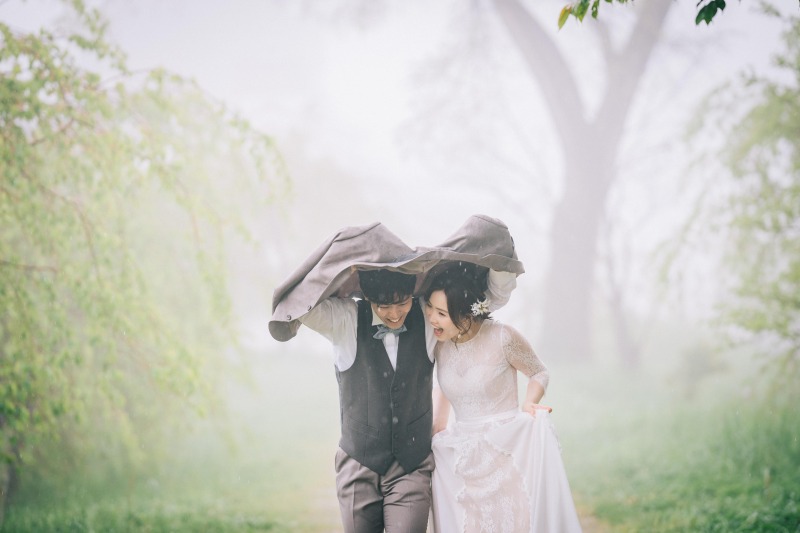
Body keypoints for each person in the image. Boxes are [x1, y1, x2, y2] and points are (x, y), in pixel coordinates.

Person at [268, 216, 521, 533]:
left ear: (413, 293)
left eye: (401, 303)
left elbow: (488, 302)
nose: (394, 313)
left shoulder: (430, 317)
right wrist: (344, 257)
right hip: (358, 465)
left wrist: (496, 252)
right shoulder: (344, 320)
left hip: (412, 466)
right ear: (366, 297)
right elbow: (302, 304)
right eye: (383, 306)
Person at [424, 262, 583, 533]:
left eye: (441, 313)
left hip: (505, 449)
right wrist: (434, 435)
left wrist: (529, 402)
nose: (431, 318)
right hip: (462, 453)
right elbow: (443, 398)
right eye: (430, 308)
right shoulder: (439, 347)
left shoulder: (502, 337)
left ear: (466, 314)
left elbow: (539, 372)